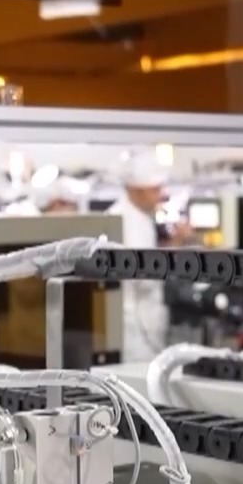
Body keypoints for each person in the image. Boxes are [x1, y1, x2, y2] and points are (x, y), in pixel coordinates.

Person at [108, 149, 192, 362]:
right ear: (135, 190)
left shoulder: (136, 217)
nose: (160, 195)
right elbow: (144, 276)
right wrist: (177, 244)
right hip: (135, 330)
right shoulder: (127, 222)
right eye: (155, 189)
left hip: (141, 326)